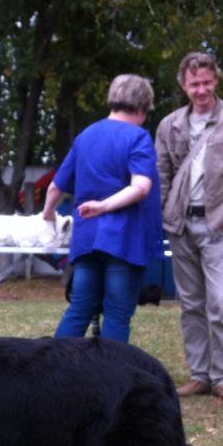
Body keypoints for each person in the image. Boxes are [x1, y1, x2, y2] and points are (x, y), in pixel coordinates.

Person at [156, 51, 223, 404]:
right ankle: (200, 375)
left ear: (216, 80)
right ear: (183, 85)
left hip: (218, 223)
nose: (201, 89)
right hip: (181, 224)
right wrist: (167, 212)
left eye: (206, 82)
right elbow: (161, 176)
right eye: (194, 84)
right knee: (191, 304)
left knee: (221, 301)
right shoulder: (169, 124)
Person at [42, 74, 163, 343]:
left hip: (86, 240)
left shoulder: (85, 136)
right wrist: (104, 206)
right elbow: (141, 186)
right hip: (124, 240)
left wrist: (48, 215)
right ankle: (110, 380)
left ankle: (51, 372)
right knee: (117, 314)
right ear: (143, 107)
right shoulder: (139, 137)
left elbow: (54, 188)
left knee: (80, 309)